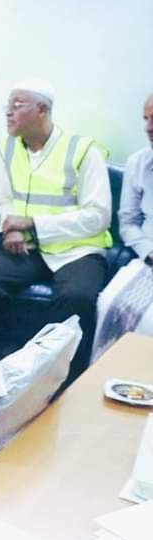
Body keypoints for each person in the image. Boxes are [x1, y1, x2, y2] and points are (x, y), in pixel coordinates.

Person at [0, 80, 112, 379]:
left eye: (17, 105)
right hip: (27, 245)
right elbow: (6, 198)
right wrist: (11, 230)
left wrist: (34, 223)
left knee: (78, 297)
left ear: (43, 109)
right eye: (7, 106)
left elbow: (99, 216)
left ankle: (64, 379)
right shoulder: (7, 146)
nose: (8, 112)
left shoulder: (84, 151)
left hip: (77, 249)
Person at [92, 93, 153, 359]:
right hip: (148, 259)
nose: (148, 128)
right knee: (109, 303)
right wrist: (148, 251)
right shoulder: (139, 162)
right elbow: (128, 222)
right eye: (145, 119)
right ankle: (107, 374)